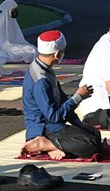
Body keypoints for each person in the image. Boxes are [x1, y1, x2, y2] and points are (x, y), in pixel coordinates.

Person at [21, 30, 102, 160]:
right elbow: (53, 116)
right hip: (44, 128)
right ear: (57, 54)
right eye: (63, 51)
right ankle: (43, 143)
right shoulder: (41, 80)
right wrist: (78, 97)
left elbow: (61, 98)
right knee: (91, 143)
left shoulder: (44, 68)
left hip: (53, 125)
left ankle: (52, 146)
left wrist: (79, 124)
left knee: (94, 135)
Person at [0, 0, 37, 64]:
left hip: (12, 43)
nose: (15, 11)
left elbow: (16, 33)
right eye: (13, 9)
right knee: (15, 53)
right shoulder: (0, 20)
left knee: (32, 49)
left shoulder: (11, 19)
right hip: (2, 44)